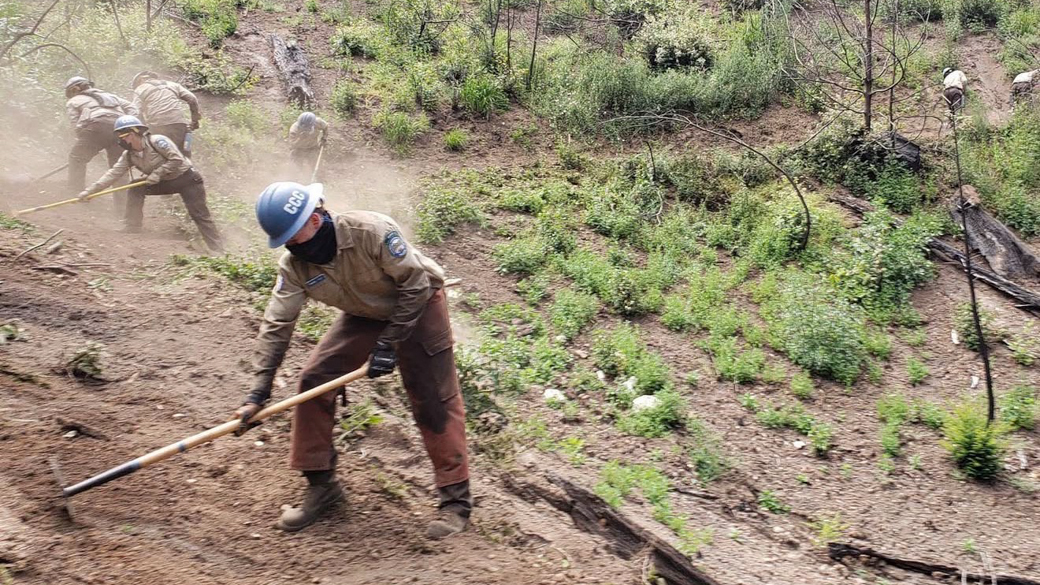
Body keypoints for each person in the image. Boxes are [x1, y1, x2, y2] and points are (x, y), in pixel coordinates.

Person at [233, 182, 471, 539]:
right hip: (365, 313)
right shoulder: (295, 266)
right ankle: (322, 486)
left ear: (314, 219)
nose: (290, 245)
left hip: (418, 304)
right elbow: (277, 324)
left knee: (433, 399)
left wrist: (389, 345)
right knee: (314, 381)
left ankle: (455, 502)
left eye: (292, 235)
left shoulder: (371, 231)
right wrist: (257, 393)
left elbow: (416, 285)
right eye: (282, 240)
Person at [77, 115, 224, 253]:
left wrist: (157, 173)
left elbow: (177, 159)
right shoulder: (128, 155)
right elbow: (112, 175)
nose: (121, 141)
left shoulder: (158, 141)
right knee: (136, 187)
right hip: (166, 182)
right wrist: (90, 192)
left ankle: (217, 249)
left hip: (187, 180)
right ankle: (133, 226)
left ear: (133, 134)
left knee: (199, 215)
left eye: (123, 136)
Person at [64, 76, 137, 193]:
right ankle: (123, 204)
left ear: (74, 89)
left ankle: (75, 194)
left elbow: (75, 122)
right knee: (118, 167)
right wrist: (128, 124)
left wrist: (85, 139)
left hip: (96, 126)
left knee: (77, 158)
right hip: (120, 129)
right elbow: (133, 108)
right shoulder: (111, 96)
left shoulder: (74, 100)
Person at [130, 71, 202, 156]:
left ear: (140, 80)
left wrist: (142, 129)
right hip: (179, 125)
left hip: (158, 126)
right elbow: (192, 99)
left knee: (160, 157)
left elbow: (135, 111)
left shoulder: (140, 89)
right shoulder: (172, 85)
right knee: (184, 155)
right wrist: (195, 120)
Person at [288, 112, 328, 181]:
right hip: (298, 150)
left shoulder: (318, 122)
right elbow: (293, 144)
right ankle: (297, 181)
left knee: (317, 167)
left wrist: (324, 138)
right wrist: (300, 138)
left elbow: (326, 126)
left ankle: (320, 182)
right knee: (295, 170)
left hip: (312, 148)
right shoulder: (294, 130)